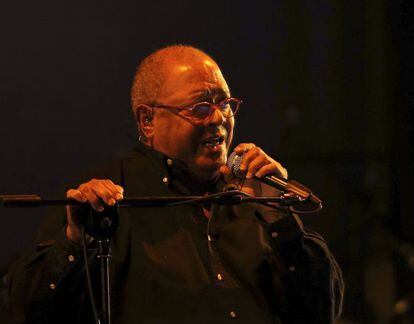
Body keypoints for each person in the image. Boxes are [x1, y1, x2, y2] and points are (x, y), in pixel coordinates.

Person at [5, 45, 344, 323]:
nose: (218, 119)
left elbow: (322, 311)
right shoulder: (106, 197)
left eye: (225, 104)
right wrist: (74, 243)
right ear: (148, 120)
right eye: (199, 107)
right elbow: (25, 309)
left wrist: (279, 217)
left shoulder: (256, 197)